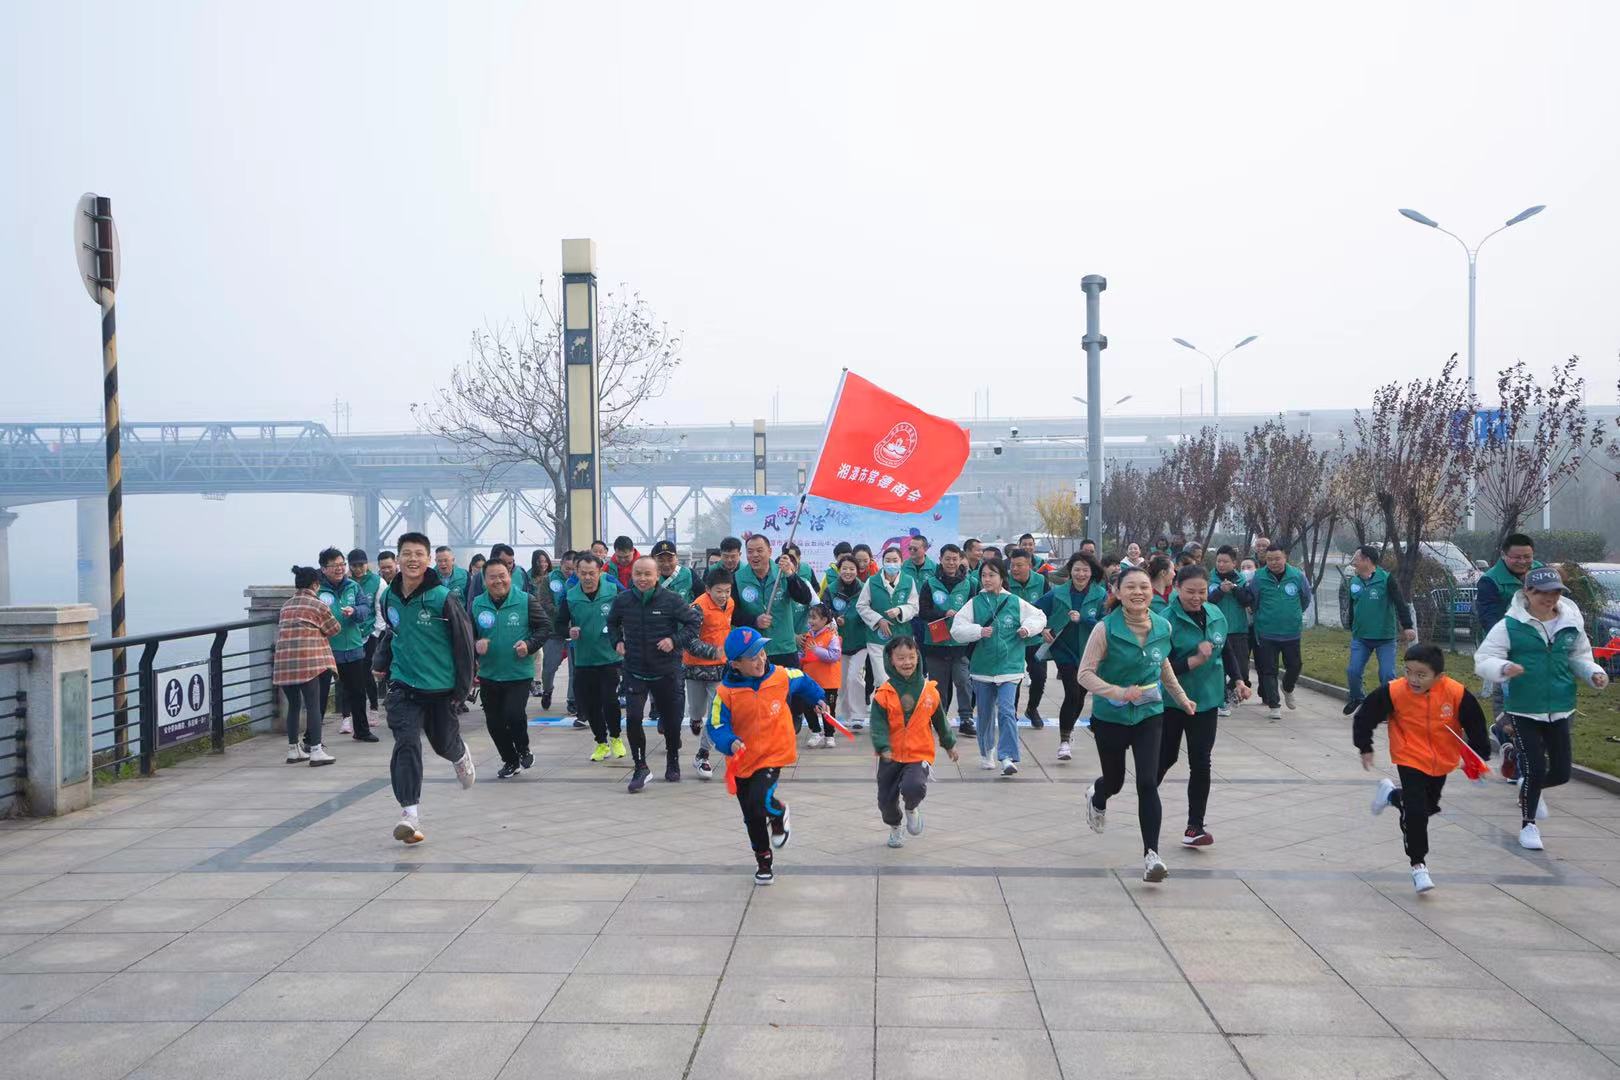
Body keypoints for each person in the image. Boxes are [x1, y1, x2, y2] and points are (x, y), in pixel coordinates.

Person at [1474, 566, 1610, 850]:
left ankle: (1529, 790)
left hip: (1561, 706)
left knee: (1560, 772)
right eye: (1543, 593)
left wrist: (1593, 672)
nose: (1550, 598)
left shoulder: (1570, 623)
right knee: (1535, 767)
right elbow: (1484, 658)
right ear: (1528, 592)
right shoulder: (1510, 625)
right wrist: (1503, 667)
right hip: (1524, 709)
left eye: (1556, 592)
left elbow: (1579, 656)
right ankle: (1529, 825)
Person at [1079, 564, 1196, 882]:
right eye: (1130, 587)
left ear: (1153, 590)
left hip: (1149, 714)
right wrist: (1116, 691)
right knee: (1114, 781)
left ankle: (1152, 856)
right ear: (1117, 592)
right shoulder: (1105, 629)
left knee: (1147, 782)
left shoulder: (1162, 626)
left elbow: (1163, 664)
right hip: (1111, 717)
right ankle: (1098, 796)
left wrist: (1181, 698)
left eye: (1144, 586)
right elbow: (1084, 674)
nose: (1138, 592)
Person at [1357, 644, 1492, 893]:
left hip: (1442, 761)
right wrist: (1364, 745)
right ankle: (1418, 865)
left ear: (1439, 676)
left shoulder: (1456, 693)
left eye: (1421, 675)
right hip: (1409, 757)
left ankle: (1390, 795)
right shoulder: (1394, 691)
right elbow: (1366, 715)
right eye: (1408, 672)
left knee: (1427, 806)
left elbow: (1475, 724)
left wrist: (1479, 755)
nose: (1413, 679)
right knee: (1417, 812)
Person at [373, 532, 478, 845]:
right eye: (407, 553)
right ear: (398, 558)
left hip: (440, 688)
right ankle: (409, 814)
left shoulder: (442, 598)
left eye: (419, 554)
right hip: (404, 686)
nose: (412, 559)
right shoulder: (388, 597)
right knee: (406, 744)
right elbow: (394, 633)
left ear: (429, 559)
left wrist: (462, 690)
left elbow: (464, 643)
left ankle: (460, 756)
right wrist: (381, 659)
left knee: (443, 744)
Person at [708, 627, 829, 885]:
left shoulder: (781, 676)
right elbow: (716, 726)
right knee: (751, 814)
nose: (760, 660)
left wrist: (818, 698)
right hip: (742, 759)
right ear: (735, 664)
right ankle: (763, 860)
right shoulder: (725, 693)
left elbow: (805, 682)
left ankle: (778, 812)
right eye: (752, 658)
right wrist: (729, 742)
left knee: (760, 799)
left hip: (774, 752)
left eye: (762, 653)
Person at [1159, 565, 1249, 848]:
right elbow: (1160, 667)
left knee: (1201, 761)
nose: (1197, 598)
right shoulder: (1164, 621)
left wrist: (1238, 680)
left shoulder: (1216, 615)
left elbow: (1227, 650)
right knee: (1165, 758)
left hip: (1207, 700)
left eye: (1201, 592)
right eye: (1190, 592)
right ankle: (1144, 792)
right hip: (1172, 702)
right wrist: (1195, 661)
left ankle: (1194, 826)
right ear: (1176, 589)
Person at [609, 556, 702, 791]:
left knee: (670, 722)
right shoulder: (623, 600)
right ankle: (640, 767)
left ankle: (673, 759)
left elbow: (693, 625)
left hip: (666, 670)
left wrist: (674, 640)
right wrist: (617, 641)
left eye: (647, 574)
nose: (642, 579)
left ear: (657, 575)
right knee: (632, 719)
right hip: (635, 669)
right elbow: (612, 623)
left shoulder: (671, 600)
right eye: (638, 574)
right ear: (632, 575)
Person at [951, 556, 1045, 776]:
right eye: (983, 575)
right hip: (982, 669)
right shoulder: (974, 603)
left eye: (992, 575)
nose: (987, 579)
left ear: (1002, 577)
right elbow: (956, 630)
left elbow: (1040, 617)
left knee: (1006, 710)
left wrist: (1027, 629)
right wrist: (978, 631)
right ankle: (987, 753)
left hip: (1010, 667)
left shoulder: (1014, 601)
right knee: (984, 714)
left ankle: (1008, 757)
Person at [871, 636, 960, 848]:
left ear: (918, 657)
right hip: (890, 756)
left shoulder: (929, 690)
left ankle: (911, 808)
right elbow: (878, 724)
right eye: (901, 658)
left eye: (911, 657)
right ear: (890, 660)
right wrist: (883, 746)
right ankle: (895, 826)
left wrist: (949, 744)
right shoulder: (883, 694)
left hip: (919, 753)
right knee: (886, 801)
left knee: (914, 786)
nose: (907, 662)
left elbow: (940, 720)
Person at [470, 560, 550, 779]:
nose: (498, 581)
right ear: (484, 581)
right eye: (492, 577)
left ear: (510, 576)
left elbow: (545, 627)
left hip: (518, 673)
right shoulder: (477, 604)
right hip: (489, 674)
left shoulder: (525, 601)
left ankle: (523, 749)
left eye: (502, 575)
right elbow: (467, 633)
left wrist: (529, 645)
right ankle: (510, 760)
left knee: (514, 714)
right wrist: (476, 644)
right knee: (494, 723)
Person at [731, 536, 816, 720]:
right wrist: (755, 620)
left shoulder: (782, 573)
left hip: (784, 647)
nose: (755, 555)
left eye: (760, 550)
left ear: (770, 551)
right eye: (750, 551)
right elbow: (732, 613)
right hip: (754, 651)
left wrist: (791, 575)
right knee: (758, 701)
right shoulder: (738, 578)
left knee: (790, 699)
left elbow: (805, 597)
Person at [1036, 552, 1108, 761]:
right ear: (1070, 571)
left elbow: (1106, 625)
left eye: (1085, 570)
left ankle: (1068, 731)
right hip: (1063, 650)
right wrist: (1044, 629)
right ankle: (1064, 741)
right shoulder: (1058, 593)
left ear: (1092, 572)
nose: (1081, 573)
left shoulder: (1101, 594)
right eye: (1077, 569)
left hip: (1089, 651)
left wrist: (1083, 619)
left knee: (1081, 696)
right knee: (1072, 693)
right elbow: (1036, 612)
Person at [558, 553, 627, 762]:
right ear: (576, 573)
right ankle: (601, 743)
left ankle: (615, 738)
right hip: (584, 659)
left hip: (609, 656)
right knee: (590, 704)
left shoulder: (613, 591)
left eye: (592, 573)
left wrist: (623, 636)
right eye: (583, 573)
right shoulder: (570, 596)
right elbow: (559, 624)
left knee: (609, 700)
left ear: (600, 572)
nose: (588, 577)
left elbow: (630, 610)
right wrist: (569, 631)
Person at [273, 566, 342, 766]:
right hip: (308, 662)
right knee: (312, 706)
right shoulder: (317, 604)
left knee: (294, 705)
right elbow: (334, 628)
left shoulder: (286, 606)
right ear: (315, 584)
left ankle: (293, 750)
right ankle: (316, 750)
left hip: (284, 663)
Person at [1341, 545, 1418, 715]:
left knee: (1386, 674)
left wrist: (1407, 627)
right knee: (1353, 671)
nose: (1354, 562)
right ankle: (1357, 697)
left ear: (1367, 560)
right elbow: (1353, 605)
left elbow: (1400, 603)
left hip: (1384, 637)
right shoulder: (1354, 581)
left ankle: (1388, 707)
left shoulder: (1386, 579)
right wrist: (1351, 623)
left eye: (1357, 559)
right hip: (1361, 636)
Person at [315, 547, 377, 742]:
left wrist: (355, 611)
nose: (340, 569)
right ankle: (313, 738)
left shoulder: (353, 586)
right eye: (335, 566)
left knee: (358, 692)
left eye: (342, 564)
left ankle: (362, 731)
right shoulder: (317, 590)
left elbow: (366, 609)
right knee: (320, 696)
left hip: (354, 648)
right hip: (327, 651)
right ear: (324, 568)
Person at [919, 543, 975, 735]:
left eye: (955, 559)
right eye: (947, 559)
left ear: (960, 560)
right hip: (936, 643)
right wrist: (943, 613)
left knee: (963, 680)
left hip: (960, 644)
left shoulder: (970, 584)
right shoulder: (930, 584)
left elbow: (976, 611)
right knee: (938, 686)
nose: (951, 562)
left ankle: (966, 718)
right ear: (940, 560)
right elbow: (923, 611)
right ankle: (940, 719)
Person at [684, 568, 734, 780]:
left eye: (727, 591)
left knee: (717, 712)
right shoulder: (697, 608)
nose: (723, 595)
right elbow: (689, 640)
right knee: (697, 710)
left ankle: (703, 755)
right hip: (696, 668)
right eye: (719, 591)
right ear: (707, 589)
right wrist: (713, 651)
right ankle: (695, 720)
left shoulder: (730, 604)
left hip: (720, 670)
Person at [1252, 545, 1312, 719]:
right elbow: (1254, 600)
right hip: (1266, 632)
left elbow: (1305, 598)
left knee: (1295, 665)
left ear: (1285, 557)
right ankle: (1274, 704)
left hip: (1291, 632)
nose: (1273, 563)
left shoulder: (1297, 576)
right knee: (1268, 669)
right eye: (1269, 559)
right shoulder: (1259, 577)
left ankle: (1287, 687)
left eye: (1277, 558)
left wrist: (1293, 614)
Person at [858, 546, 919, 691]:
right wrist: (878, 620)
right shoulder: (872, 582)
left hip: (902, 636)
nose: (891, 564)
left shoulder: (908, 581)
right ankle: (884, 710)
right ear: (883, 562)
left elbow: (915, 607)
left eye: (895, 560)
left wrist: (900, 610)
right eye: (888, 560)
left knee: (903, 677)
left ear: (901, 562)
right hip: (877, 639)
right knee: (882, 679)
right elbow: (861, 606)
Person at [827, 555, 876, 733]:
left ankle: (858, 716)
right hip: (838, 643)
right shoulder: (831, 589)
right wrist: (833, 617)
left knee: (854, 677)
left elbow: (871, 610)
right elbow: (824, 610)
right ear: (839, 571)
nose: (848, 572)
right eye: (844, 569)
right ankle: (846, 715)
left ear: (858, 570)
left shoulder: (865, 588)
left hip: (861, 641)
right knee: (842, 681)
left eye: (851, 569)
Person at [1006, 550, 1050, 728]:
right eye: (1012, 565)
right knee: (1013, 678)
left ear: (1029, 566)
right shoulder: (1005, 582)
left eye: (1019, 565)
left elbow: (1050, 606)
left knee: (1039, 676)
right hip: (1013, 639)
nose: (1015, 569)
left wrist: (1047, 627)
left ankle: (1032, 708)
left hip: (1035, 639)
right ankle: (1012, 713)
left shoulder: (1041, 581)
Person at [1208, 546, 1253, 715]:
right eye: (1219, 561)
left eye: (1225, 561)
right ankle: (1222, 701)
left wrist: (1234, 589)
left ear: (1234, 563)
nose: (1221, 564)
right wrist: (1220, 590)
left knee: (1240, 669)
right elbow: (1207, 601)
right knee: (1219, 668)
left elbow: (1247, 600)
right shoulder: (1210, 580)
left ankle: (1230, 690)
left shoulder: (1242, 580)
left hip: (1238, 630)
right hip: (1216, 631)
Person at [1476, 533, 1542, 636]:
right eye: (1516, 557)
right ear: (1503, 555)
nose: (1522, 561)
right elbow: (1489, 619)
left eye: (1527, 557)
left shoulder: (1540, 570)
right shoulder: (1489, 581)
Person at [799, 603, 843, 747]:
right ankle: (815, 732)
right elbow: (802, 655)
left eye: (814, 618)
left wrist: (817, 650)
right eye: (809, 618)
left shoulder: (832, 636)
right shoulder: (806, 637)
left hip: (828, 682)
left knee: (828, 709)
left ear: (824, 620)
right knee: (808, 707)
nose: (810, 621)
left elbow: (835, 655)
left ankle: (829, 735)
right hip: (810, 682)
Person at [538, 551, 575, 714]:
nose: (570, 572)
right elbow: (544, 602)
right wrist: (562, 614)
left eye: (574, 569)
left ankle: (572, 700)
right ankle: (547, 689)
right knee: (549, 667)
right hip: (554, 630)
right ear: (561, 565)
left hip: (575, 631)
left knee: (575, 669)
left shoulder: (582, 580)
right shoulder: (549, 579)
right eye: (567, 569)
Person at [348, 549, 383, 715]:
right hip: (350, 634)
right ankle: (348, 714)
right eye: (354, 565)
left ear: (366, 563)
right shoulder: (345, 581)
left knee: (368, 670)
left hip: (370, 633)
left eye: (361, 565)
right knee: (349, 674)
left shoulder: (377, 581)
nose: (358, 568)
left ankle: (374, 707)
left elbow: (379, 608)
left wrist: (376, 632)